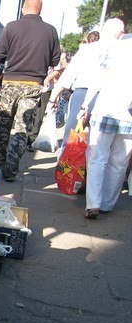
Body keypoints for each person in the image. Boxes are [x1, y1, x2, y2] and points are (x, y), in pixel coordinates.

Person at [0, 0, 60, 181]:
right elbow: (55, 60)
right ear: (40, 10)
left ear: (23, 8)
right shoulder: (50, 31)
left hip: (11, 81)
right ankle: (11, 169)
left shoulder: (12, 27)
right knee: (22, 127)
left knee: (4, 122)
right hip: (33, 85)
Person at [49, 19, 125, 156]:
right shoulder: (123, 52)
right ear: (120, 34)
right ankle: (88, 173)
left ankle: (65, 171)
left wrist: (52, 99)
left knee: (71, 136)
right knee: (100, 146)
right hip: (109, 98)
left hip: (82, 93)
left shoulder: (87, 50)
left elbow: (68, 76)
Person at [78, 30, 132, 219]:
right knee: (119, 162)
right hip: (129, 116)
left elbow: (97, 81)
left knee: (97, 158)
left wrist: (85, 105)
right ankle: (107, 204)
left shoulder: (113, 50)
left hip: (106, 110)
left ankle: (93, 203)